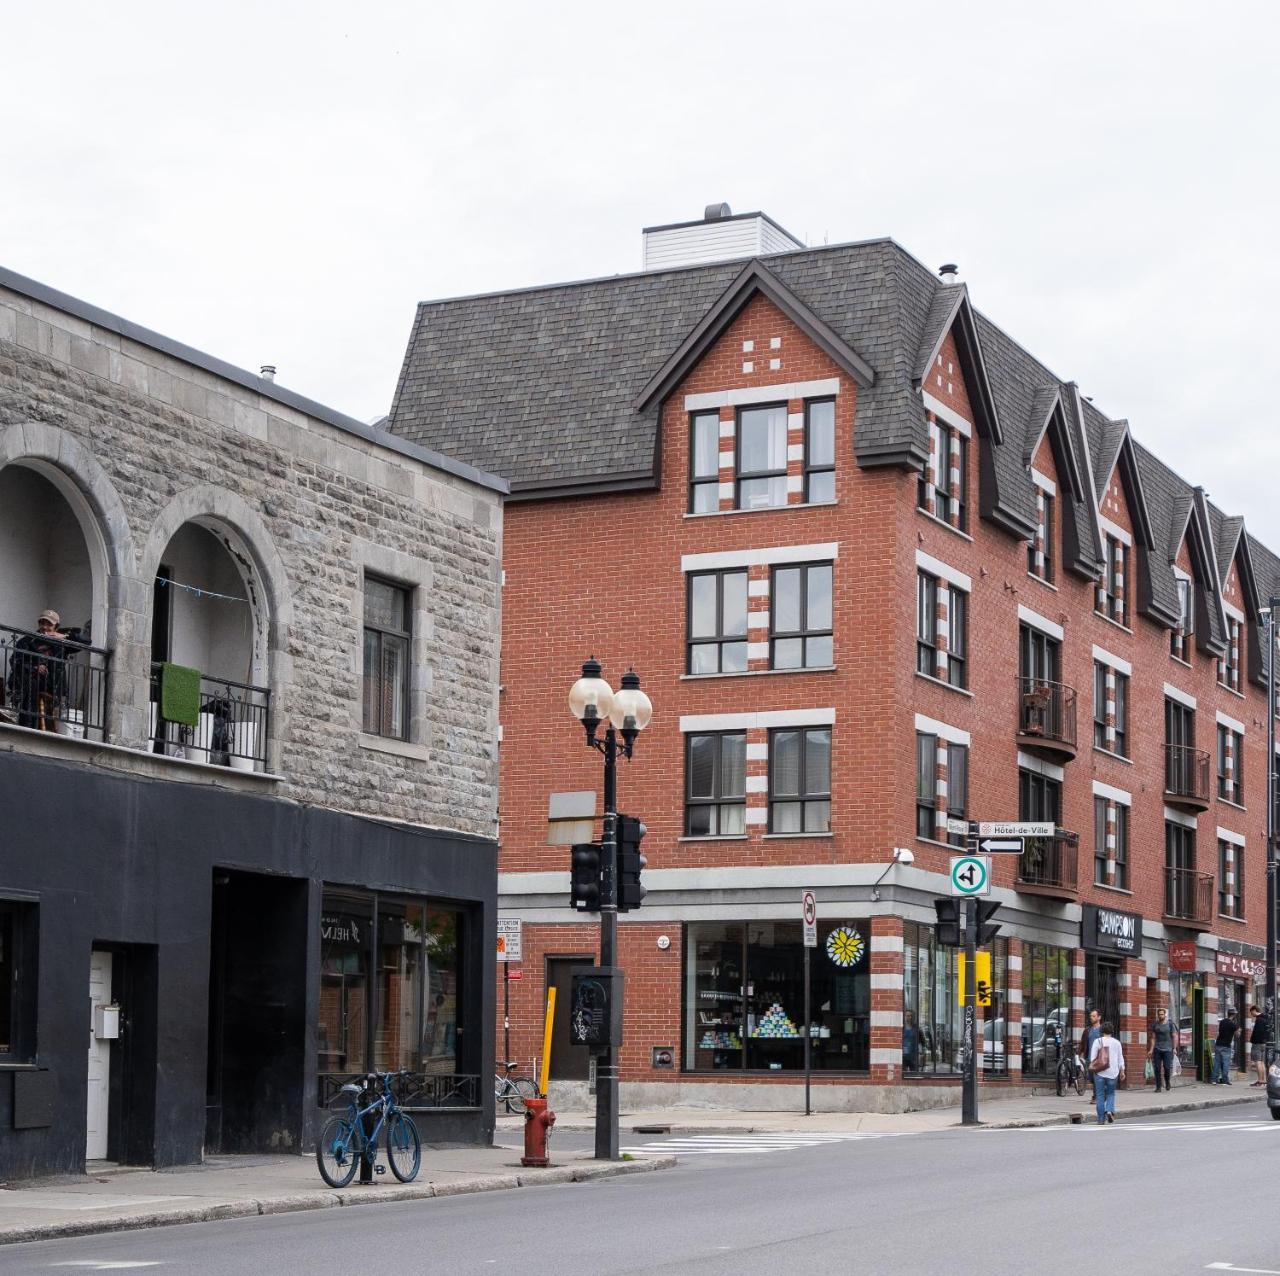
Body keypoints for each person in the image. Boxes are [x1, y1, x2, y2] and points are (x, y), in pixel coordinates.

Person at [8, 609, 67, 730]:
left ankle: (20, 715)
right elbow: (15, 661)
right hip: (27, 679)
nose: (44, 627)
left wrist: (65, 636)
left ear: (56, 626)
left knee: (32, 684)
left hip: (50, 683)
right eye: (42, 623)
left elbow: (86, 641)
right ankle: (26, 724)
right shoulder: (26, 641)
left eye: (49, 624)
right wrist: (35, 667)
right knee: (32, 682)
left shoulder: (61, 643)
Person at [1089, 1020, 1125, 1124]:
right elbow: (1120, 1059)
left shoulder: (1097, 1041)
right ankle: (1109, 1110)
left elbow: (1092, 1058)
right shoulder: (1117, 1043)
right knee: (1110, 1094)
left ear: (1102, 1030)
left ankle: (1100, 1119)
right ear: (1112, 1031)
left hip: (1100, 1072)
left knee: (1100, 1095)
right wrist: (1122, 1071)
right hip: (1113, 1072)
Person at [1148, 1006, 1179, 1093]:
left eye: (1162, 1014)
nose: (1160, 1016)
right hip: (1157, 1048)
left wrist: (1174, 1048)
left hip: (1168, 1049)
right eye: (1159, 1015)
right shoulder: (1155, 1025)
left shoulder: (1170, 1024)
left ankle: (1167, 1082)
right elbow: (1153, 1038)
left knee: (1167, 1067)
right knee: (1157, 1068)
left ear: (1165, 1015)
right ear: (1158, 1015)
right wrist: (1151, 1050)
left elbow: (1174, 1036)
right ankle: (1158, 1087)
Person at [1079, 1008, 1102, 1103]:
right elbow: (1083, 1043)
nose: (1091, 1018)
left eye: (1093, 1016)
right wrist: (1081, 1055)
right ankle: (1100, 1092)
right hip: (1089, 1057)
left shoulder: (1102, 1030)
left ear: (1099, 1017)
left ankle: (1096, 1096)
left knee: (1097, 1077)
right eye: (1091, 1016)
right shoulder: (1087, 1030)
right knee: (1091, 1078)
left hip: (1099, 1057)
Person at [1213, 1007, 1238, 1084]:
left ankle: (1214, 1079)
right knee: (1226, 1063)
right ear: (1233, 1015)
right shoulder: (1232, 1024)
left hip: (1218, 1044)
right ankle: (1225, 1080)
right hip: (1226, 1046)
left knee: (1217, 1063)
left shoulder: (1222, 1022)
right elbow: (1238, 1035)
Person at [1249, 1005, 1271, 1087]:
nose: (1251, 1015)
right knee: (1262, 1062)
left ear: (1254, 1010)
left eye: (1251, 1013)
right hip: (1263, 1043)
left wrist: (1253, 1040)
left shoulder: (1259, 1020)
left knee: (1257, 1061)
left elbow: (1258, 1032)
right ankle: (1264, 1080)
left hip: (1257, 1043)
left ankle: (1260, 1080)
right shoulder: (1265, 1019)